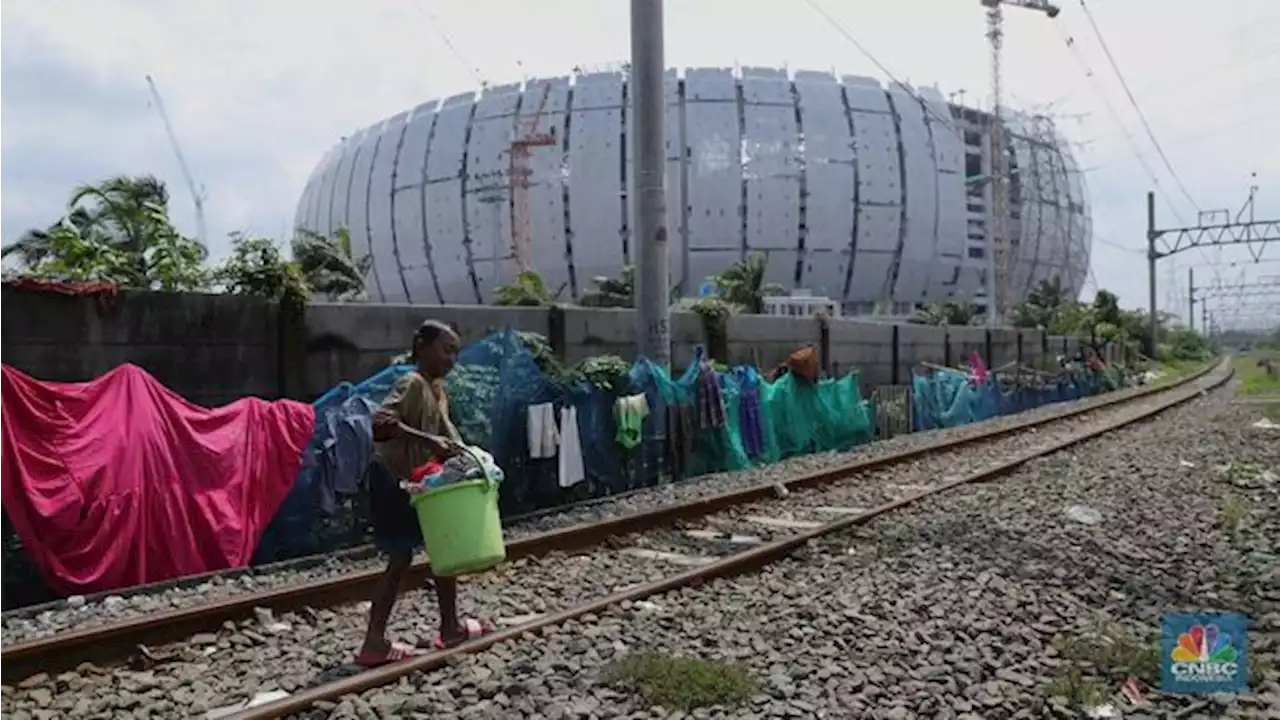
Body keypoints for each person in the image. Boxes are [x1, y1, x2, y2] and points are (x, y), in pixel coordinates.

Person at [355, 320, 493, 667]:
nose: (451, 359)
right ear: (422, 346)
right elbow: (381, 423)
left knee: (442, 549)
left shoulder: (436, 390)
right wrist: (427, 440)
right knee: (400, 558)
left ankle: (449, 627)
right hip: (393, 479)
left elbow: (450, 437)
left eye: (455, 353)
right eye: (446, 349)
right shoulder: (412, 383)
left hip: (419, 485)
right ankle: (374, 642)